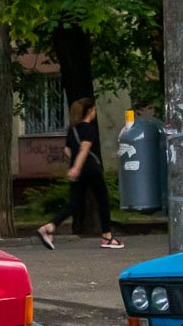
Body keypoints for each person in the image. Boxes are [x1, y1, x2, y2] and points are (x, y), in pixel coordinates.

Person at [37, 97, 123, 250]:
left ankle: (50, 226)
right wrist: (78, 166)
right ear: (89, 111)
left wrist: (74, 167)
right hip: (89, 168)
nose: (95, 112)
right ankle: (107, 237)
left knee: (74, 204)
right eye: (94, 109)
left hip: (77, 170)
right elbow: (84, 149)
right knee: (103, 200)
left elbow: (67, 150)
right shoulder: (89, 129)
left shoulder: (73, 129)